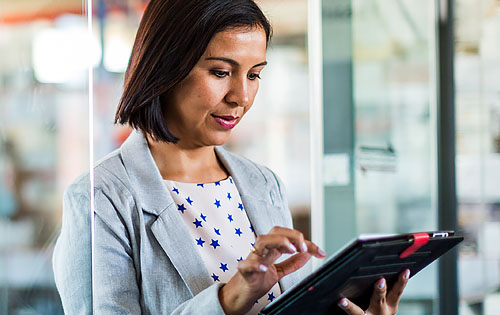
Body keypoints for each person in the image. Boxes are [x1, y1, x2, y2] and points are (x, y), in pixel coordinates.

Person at [53, 0, 409, 314]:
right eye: (221, 72)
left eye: (254, 75)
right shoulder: (102, 197)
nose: (241, 96)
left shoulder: (263, 183)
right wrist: (227, 300)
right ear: (165, 68)